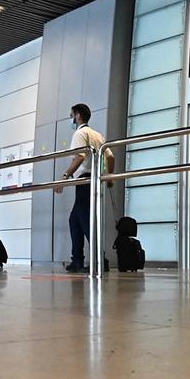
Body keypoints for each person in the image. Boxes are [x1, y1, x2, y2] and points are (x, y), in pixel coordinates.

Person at [54, 103, 114, 273]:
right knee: (75, 220)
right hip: (95, 180)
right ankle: (77, 260)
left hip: (84, 180)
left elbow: (79, 157)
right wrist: (109, 177)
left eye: (71, 115)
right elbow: (111, 158)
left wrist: (64, 177)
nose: (71, 119)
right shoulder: (97, 135)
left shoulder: (80, 133)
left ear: (78, 115)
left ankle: (100, 260)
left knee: (86, 220)